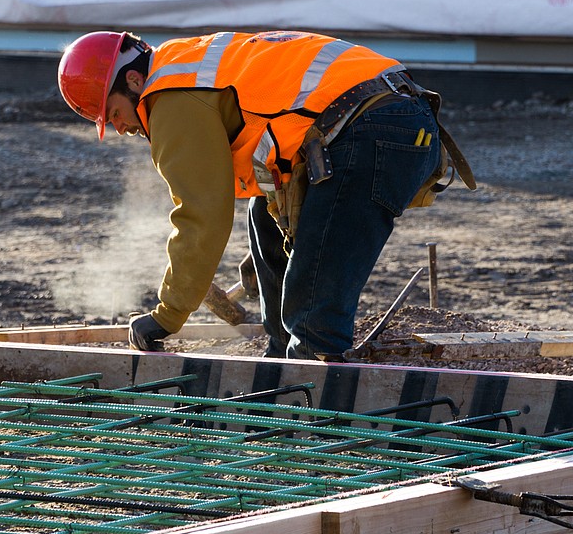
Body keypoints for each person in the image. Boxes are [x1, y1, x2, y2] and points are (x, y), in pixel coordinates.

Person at [57, 29, 474, 360]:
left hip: (373, 127)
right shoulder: (186, 64)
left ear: (132, 81)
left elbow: (201, 215)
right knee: (263, 216)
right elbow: (272, 164)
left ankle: (315, 416)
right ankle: (280, 364)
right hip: (384, 114)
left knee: (313, 314)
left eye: (113, 113)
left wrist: (165, 318)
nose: (121, 128)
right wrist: (270, 257)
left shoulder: (168, 97)